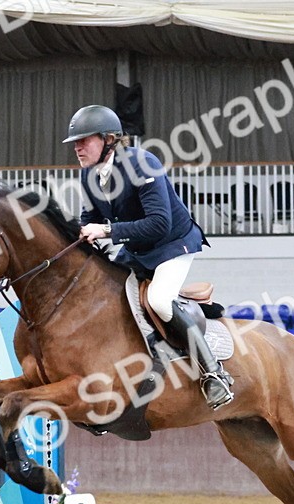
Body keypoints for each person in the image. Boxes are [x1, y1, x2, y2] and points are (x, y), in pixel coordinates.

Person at [64, 104, 233, 410]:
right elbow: (88, 218)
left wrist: (105, 231)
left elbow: (159, 223)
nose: (77, 147)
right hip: (137, 248)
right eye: (75, 142)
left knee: (157, 299)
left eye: (84, 140)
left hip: (172, 243)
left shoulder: (143, 163)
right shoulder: (89, 176)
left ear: (108, 139)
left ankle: (214, 374)